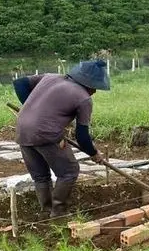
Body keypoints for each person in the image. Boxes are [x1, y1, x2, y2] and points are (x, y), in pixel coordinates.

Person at [13, 59, 110, 218]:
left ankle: (46, 211)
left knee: (40, 176)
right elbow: (82, 136)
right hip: (46, 134)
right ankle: (58, 213)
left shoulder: (51, 77)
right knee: (69, 172)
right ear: (88, 83)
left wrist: (30, 108)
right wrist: (93, 153)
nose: (95, 91)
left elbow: (20, 83)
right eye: (95, 87)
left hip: (22, 130)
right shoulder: (84, 98)